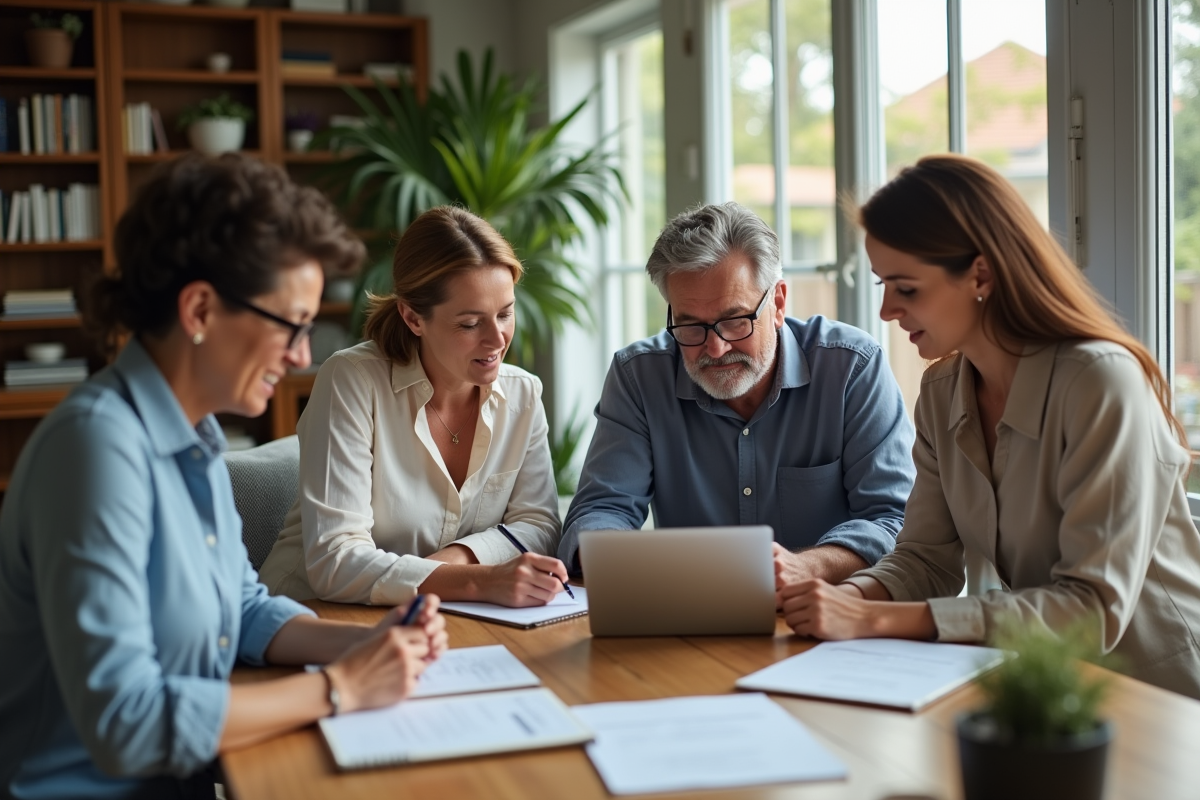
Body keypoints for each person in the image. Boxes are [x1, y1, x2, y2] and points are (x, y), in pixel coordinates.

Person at [0, 154, 448, 799]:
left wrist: (364, 643)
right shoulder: (94, 451)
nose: (301, 356)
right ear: (201, 310)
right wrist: (339, 688)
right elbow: (126, 723)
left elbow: (240, 610)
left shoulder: (196, 437)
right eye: (291, 326)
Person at [780, 154, 1200, 699]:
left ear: (980, 274)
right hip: (1049, 690)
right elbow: (926, 558)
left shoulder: (1101, 381)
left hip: (1165, 696)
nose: (885, 310)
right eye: (882, 284)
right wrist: (848, 599)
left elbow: (1092, 609)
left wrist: (875, 619)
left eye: (906, 288)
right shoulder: (941, 392)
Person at [559, 202, 916, 589]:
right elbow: (602, 509)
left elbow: (895, 519)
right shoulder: (639, 377)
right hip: (687, 609)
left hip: (826, 610)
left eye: (734, 321)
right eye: (691, 326)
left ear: (778, 304)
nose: (715, 349)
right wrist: (611, 555)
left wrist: (809, 567)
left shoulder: (851, 368)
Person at [260, 206, 566, 608]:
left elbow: (539, 525)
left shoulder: (522, 394)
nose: (497, 340)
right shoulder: (352, 380)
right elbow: (335, 560)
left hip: (437, 615)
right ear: (413, 317)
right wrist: (479, 581)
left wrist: (456, 562)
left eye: (505, 314)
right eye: (470, 324)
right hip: (312, 615)